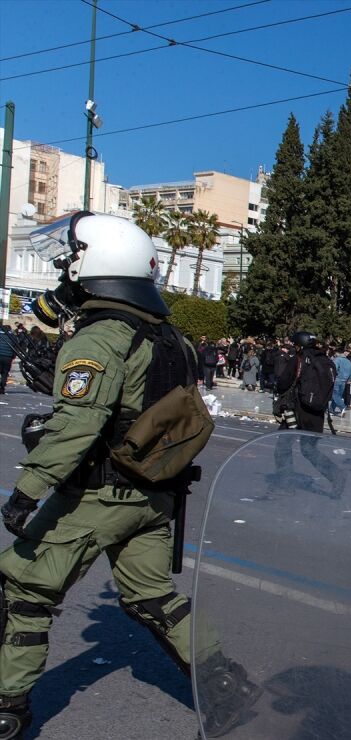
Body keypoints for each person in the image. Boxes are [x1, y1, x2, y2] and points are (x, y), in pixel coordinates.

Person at [0, 212, 257, 738]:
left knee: (24, 589)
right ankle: (226, 684)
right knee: (152, 596)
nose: (67, 269)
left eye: (72, 257)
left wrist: (27, 491)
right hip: (153, 495)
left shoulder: (102, 336)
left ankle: (7, 706)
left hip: (99, 494)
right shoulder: (170, 337)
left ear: (96, 261)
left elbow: (80, 422)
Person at [270, 330, 343, 496]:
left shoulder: (299, 359)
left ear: (299, 345)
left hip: (297, 410)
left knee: (283, 446)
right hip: (316, 412)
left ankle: (285, 483)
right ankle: (337, 476)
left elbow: (283, 382)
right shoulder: (325, 359)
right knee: (309, 449)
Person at [0, 325, 14, 393]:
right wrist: (13, 356)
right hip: (8, 357)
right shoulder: (13, 337)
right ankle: (2, 387)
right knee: (5, 373)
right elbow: (15, 347)